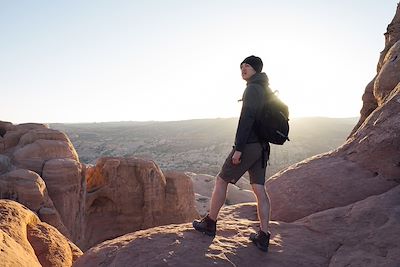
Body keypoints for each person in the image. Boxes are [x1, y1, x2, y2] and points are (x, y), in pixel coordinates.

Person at [193, 55, 272, 252]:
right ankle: (264, 235)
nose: (243, 69)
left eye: (247, 66)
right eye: (241, 66)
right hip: (262, 147)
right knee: (259, 189)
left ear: (256, 69)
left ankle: (210, 223)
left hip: (249, 144)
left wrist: (239, 148)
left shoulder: (253, 88)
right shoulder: (265, 88)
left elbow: (247, 118)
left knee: (221, 180)